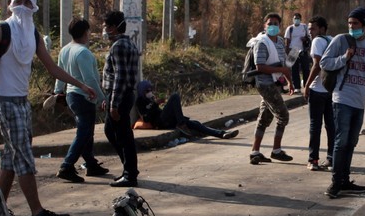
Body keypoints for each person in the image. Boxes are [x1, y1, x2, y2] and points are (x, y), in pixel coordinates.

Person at [0, 0, 95, 216]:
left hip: (22, 102)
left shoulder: (33, 36)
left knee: (10, 159)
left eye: (28, 3)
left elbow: (52, 67)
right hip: (5, 102)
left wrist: (80, 84)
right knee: (24, 157)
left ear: (35, 6)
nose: (23, 7)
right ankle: (37, 213)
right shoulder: (0, 31)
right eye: (19, 1)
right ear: (11, 4)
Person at [319, 6, 365, 198]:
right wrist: (344, 58)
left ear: (364, 24)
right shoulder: (341, 40)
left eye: (355, 23)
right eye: (349, 23)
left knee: (351, 142)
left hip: (359, 100)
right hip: (342, 97)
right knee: (341, 141)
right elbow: (324, 62)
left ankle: (345, 180)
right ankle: (335, 182)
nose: (352, 26)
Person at [53, 18, 109, 184]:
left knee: (86, 131)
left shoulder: (65, 50)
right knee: (84, 132)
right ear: (86, 32)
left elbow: (59, 74)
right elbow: (90, 80)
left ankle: (91, 164)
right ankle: (67, 165)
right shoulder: (83, 53)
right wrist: (102, 99)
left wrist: (57, 92)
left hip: (72, 96)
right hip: (84, 97)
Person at [248, 13, 295, 165]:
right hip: (265, 83)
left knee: (264, 117)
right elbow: (260, 66)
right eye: (270, 23)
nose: (273, 26)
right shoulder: (261, 43)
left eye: (276, 23)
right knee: (283, 116)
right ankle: (276, 150)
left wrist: (289, 81)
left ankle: (255, 152)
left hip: (275, 83)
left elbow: (284, 66)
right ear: (265, 26)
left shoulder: (280, 42)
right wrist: (282, 72)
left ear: (280, 26)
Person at [101, 10, 140, 188]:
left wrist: (114, 104)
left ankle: (130, 172)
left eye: (108, 26)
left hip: (121, 96)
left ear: (116, 27)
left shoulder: (118, 47)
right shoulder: (128, 44)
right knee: (114, 131)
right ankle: (128, 169)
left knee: (121, 134)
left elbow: (120, 78)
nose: (105, 30)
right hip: (121, 95)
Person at [134, 80, 239, 140]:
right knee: (175, 96)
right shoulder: (140, 101)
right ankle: (181, 124)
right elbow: (146, 118)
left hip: (166, 118)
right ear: (142, 91)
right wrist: (155, 104)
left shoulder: (151, 98)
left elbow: (157, 109)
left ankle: (222, 134)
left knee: (196, 124)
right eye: (147, 91)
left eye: (151, 90)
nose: (150, 92)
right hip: (159, 122)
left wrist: (158, 103)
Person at [301, 16, 335, 171]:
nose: (310, 31)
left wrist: (307, 85)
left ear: (322, 28)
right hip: (330, 90)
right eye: (309, 28)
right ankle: (332, 158)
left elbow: (316, 66)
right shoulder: (332, 40)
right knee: (331, 126)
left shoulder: (317, 41)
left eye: (313, 28)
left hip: (317, 90)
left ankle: (313, 159)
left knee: (315, 126)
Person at [284, 11, 310, 90]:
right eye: (295, 18)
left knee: (305, 69)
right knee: (294, 70)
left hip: (303, 50)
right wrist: (287, 51)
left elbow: (308, 37)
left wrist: (305, 39)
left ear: (300, 19)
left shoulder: (304, 27)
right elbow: (287, 40)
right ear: (293, 19)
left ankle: (306, 86)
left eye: (298, 18)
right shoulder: (290, 28)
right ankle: (297, 87)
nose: (296, 20)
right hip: (293, 50)